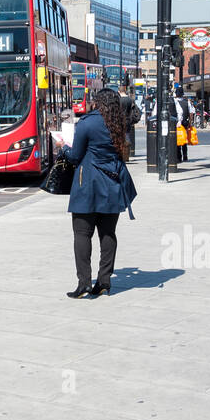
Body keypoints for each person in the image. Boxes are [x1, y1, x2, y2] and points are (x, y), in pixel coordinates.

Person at [54, 87, 137, 298]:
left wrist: (63, 146)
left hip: (88, 183)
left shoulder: (87, 123)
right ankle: (104, 281)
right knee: (108, 234)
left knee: (82, 234)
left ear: (97, 102)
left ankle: (84, 284)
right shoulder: (119, 124)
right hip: (113, 183)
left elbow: (74, 156)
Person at [173, 85, 192, 162]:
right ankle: (185, 156)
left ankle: (178, 157)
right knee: (184, 140)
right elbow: (191, 112)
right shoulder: (187, 102)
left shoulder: (174, 101)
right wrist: (190, 122)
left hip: (176, 123)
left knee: (177, 140)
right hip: (185, 123)